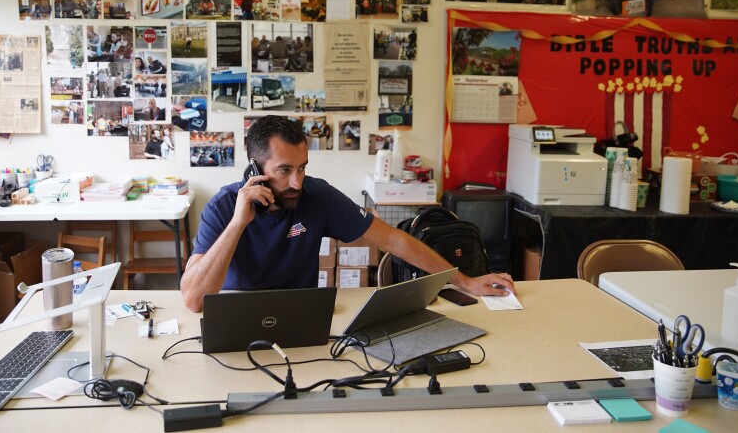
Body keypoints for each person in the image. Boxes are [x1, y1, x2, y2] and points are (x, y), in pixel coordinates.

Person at [180, 116, 515, 312]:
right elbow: (194, 299)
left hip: (302, 319)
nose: (297, 181)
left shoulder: (316, 194)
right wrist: (239, 223)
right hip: (238, 318)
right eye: (284, 170)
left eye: (302, 168)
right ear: (254, 167)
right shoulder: (224, 206)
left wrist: (465, 281)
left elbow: (395, 240)